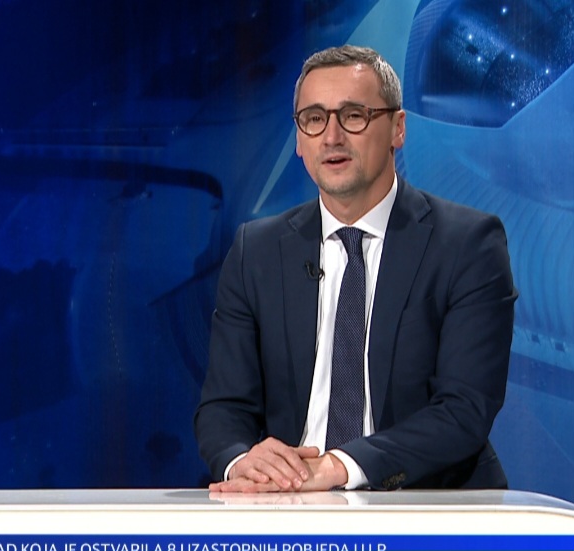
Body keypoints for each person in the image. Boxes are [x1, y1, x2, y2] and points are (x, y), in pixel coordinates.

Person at [194, 45, 517, 492]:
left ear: (398, 128)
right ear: (299, 140)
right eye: (314, 119)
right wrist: (244, 461)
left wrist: (340, 467)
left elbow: (464, 410)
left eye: (353, 116)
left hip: (427, 501)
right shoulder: (257, 251)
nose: (331, 137)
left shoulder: (467, 244)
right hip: (288, 502)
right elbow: (223, 408)